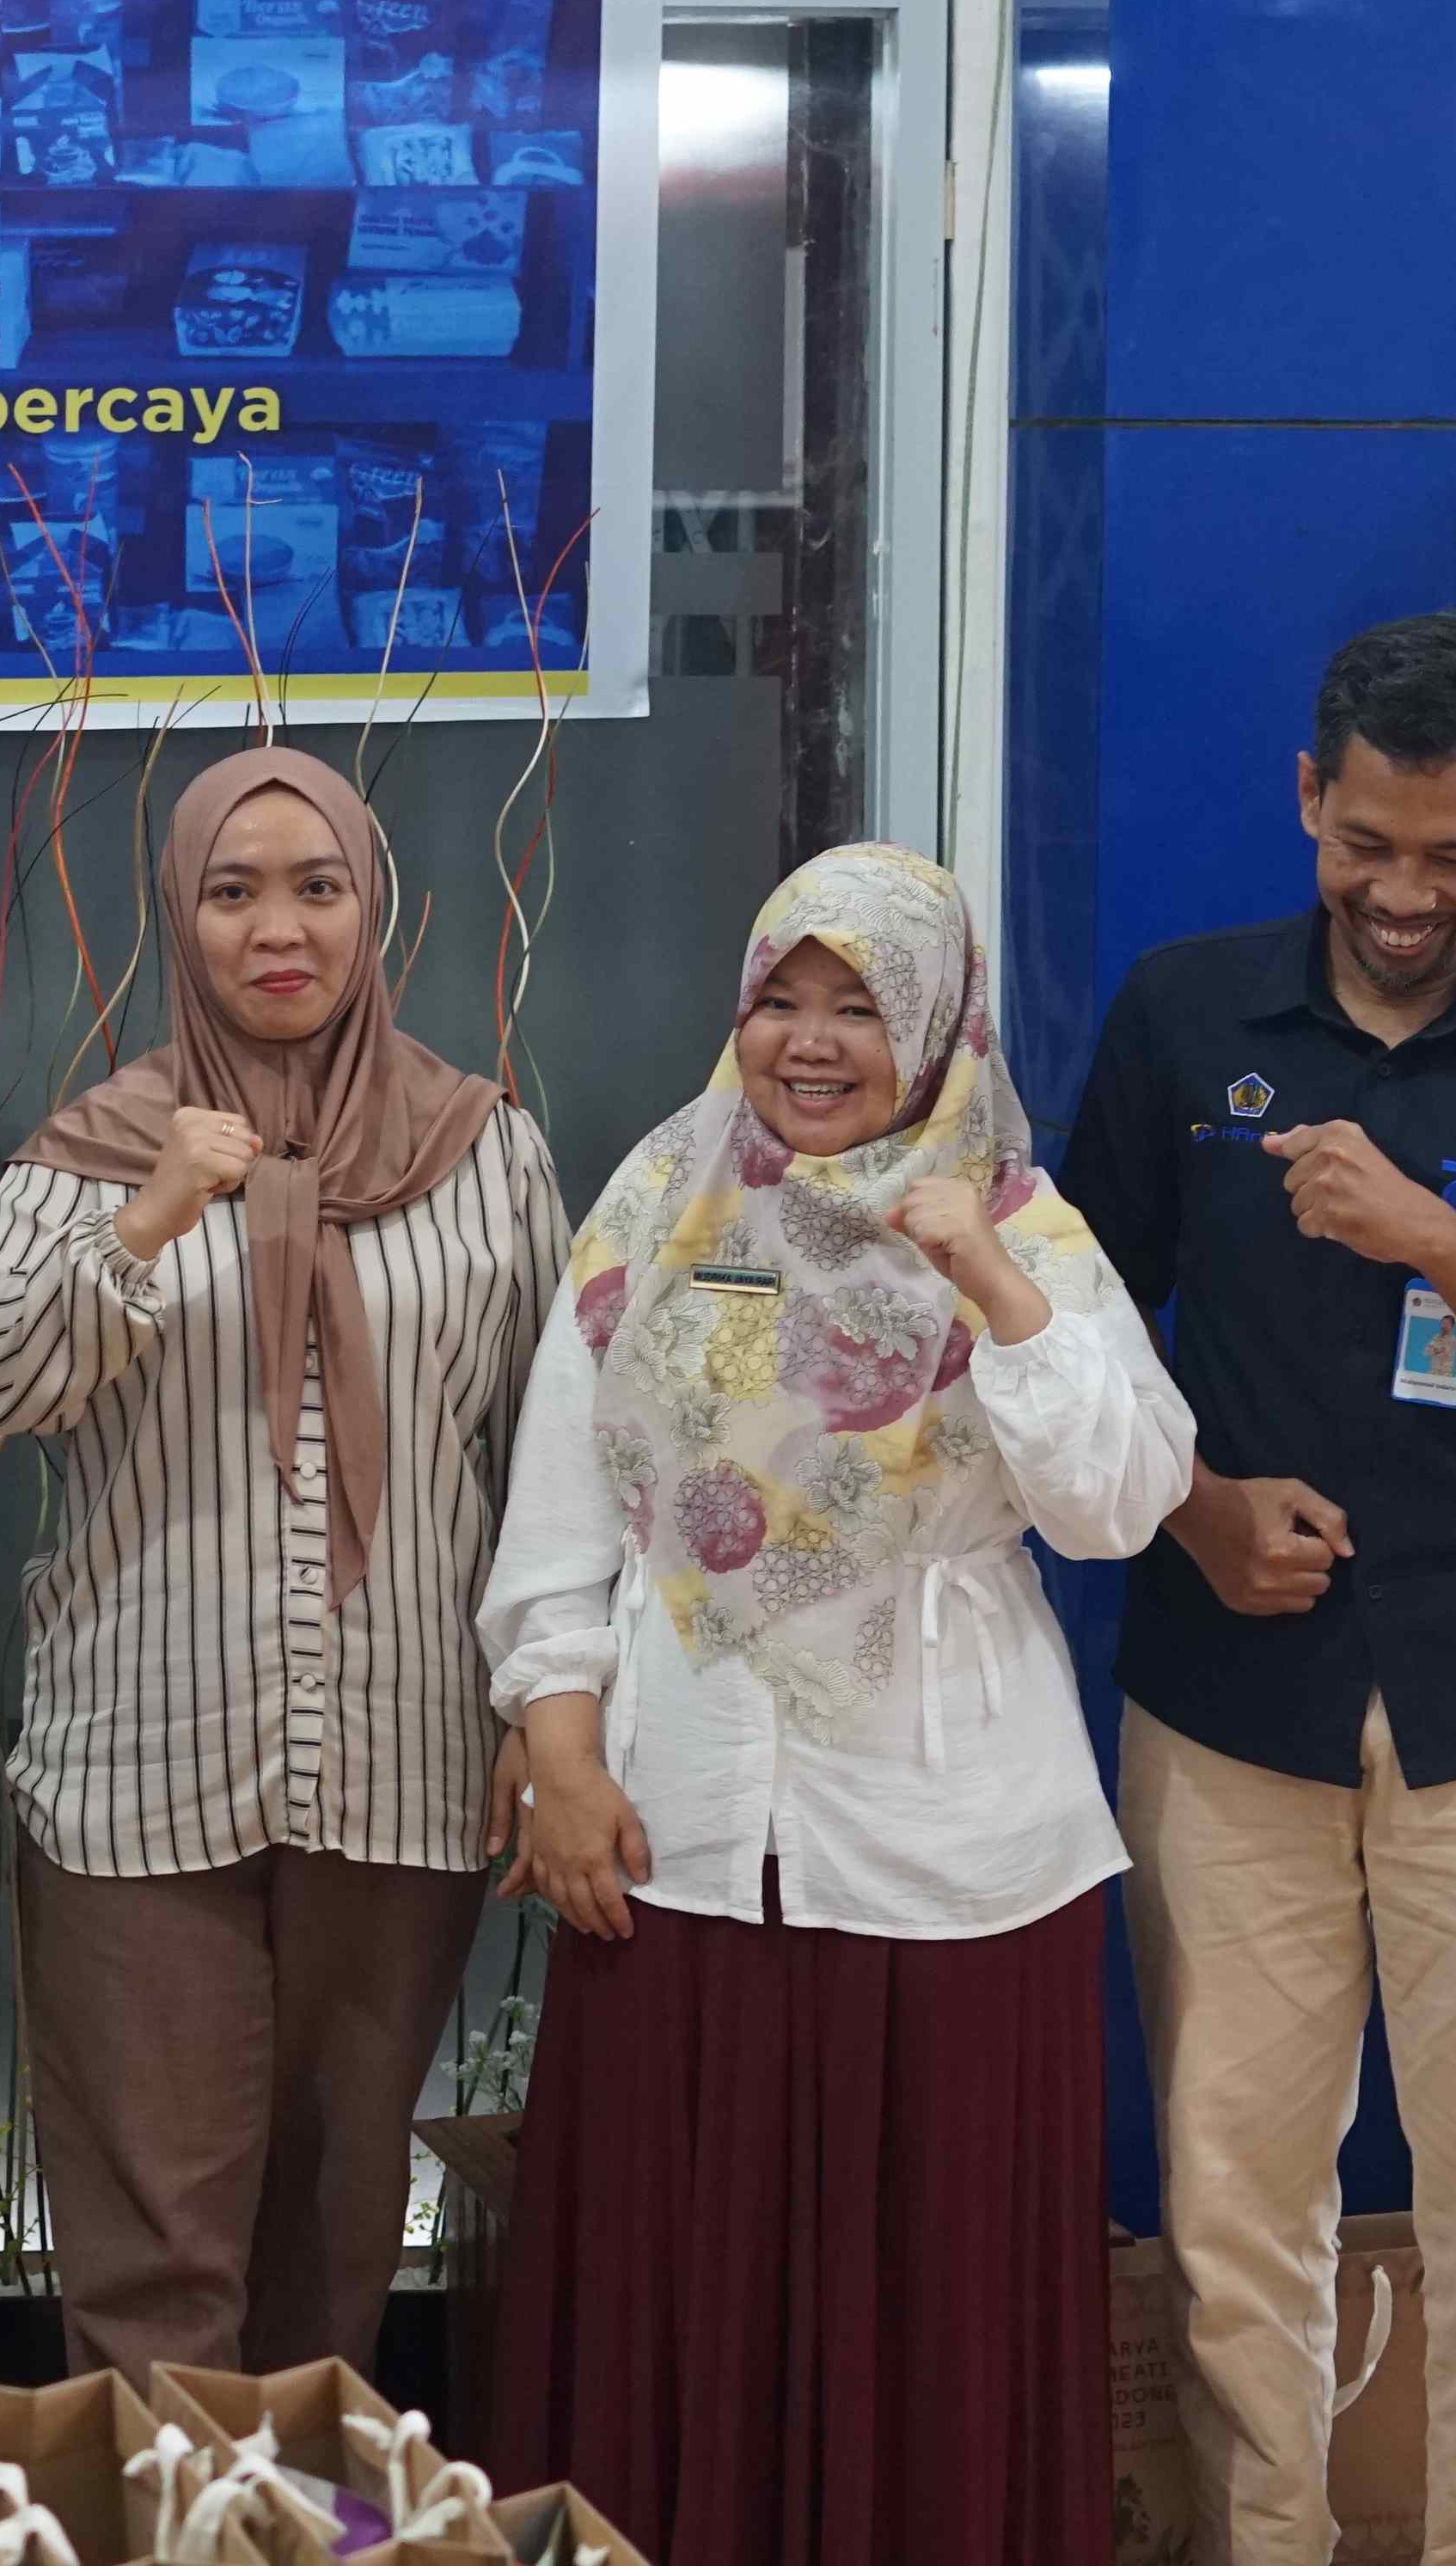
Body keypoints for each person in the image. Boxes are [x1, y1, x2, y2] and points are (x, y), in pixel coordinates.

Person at [480, 841, 1191, 2566]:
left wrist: (994, 1286)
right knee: (674, 2297)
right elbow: (565, 1509)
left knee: (928, 2312)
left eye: (859, 1006)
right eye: (780, 999)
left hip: (947, 1865)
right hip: (678, 1845)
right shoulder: (660, 1201)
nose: (810, 1041)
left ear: (936, 1025)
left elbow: (1120, 1500)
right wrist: (556, 1743)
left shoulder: (1023, 1219)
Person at [1055, 615, 1456, 2566]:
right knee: (1236, 2203)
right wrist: (1197, 1513)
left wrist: (1426, 1235)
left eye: (1455, 854)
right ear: (1310, 798)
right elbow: (1075, 1333)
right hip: (1231, 1701)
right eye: (1368, 844)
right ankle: (1266, 2544)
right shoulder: (1186, 1014)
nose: (1405, 895)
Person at [0, 744, 566, 2377]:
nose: (278, 929)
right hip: (139, 1767)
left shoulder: (485, 1150)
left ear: (372, 907)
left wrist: (546, 1712)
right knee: (158, 2247)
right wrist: (148, 1218)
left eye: (316, 887)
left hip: (404, 1760)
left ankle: (295, 2501)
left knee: (340, 2226)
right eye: (232, 892)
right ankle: (162, 2504)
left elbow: (549, 1455)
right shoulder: (92, 1151)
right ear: (179, 917)